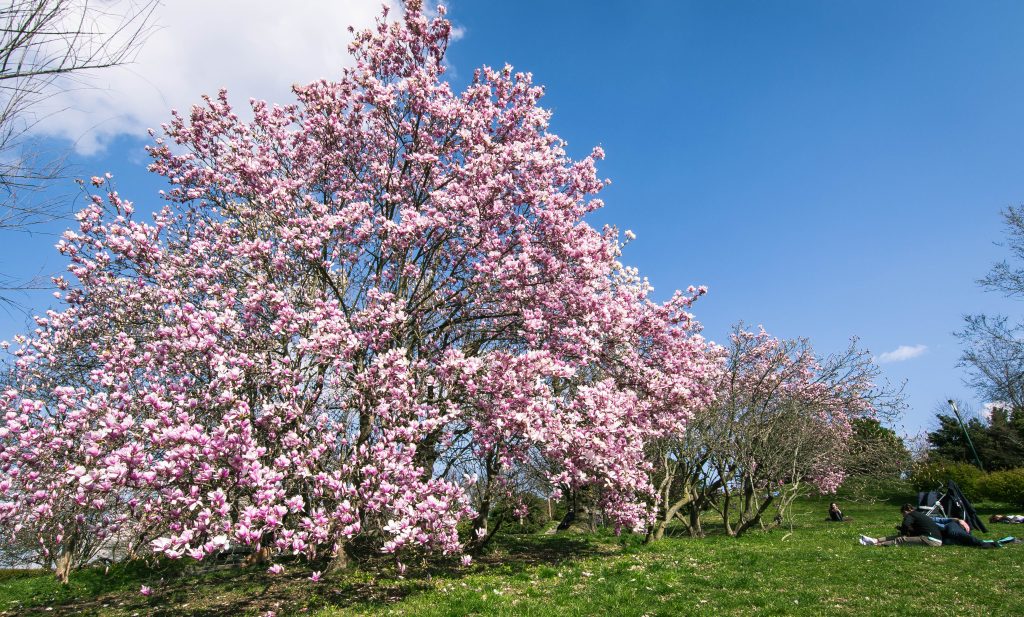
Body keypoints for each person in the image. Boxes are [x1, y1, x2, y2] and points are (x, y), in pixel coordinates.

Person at [859, 503, 943, 547]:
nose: (903, 516)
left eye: (903, 514)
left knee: (902, 539)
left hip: (931, 540)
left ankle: (876, 544)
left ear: (906, 511)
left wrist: (903, 532)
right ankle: (875, 540)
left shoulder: (910, 515)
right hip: (931, 538)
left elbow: (906, 525)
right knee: (899, 536)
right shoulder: (918, 514)